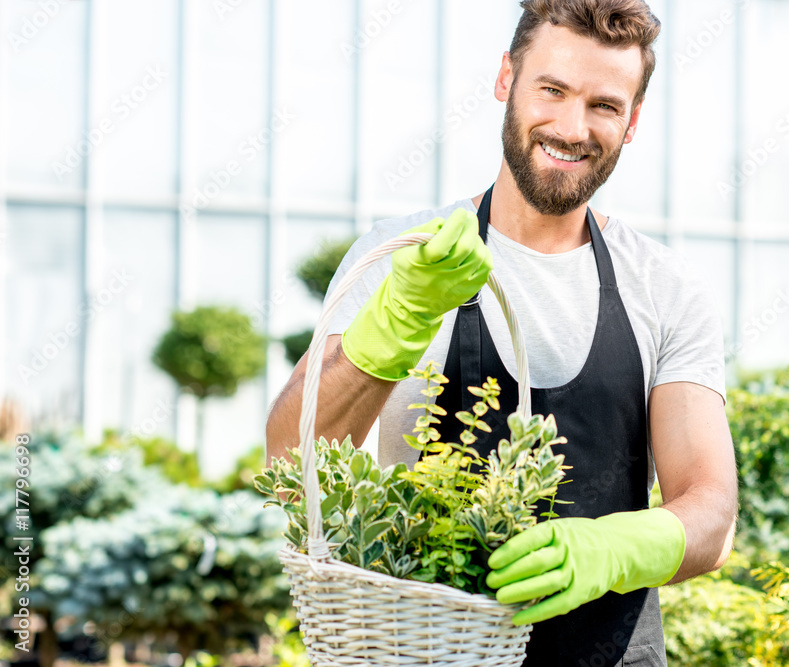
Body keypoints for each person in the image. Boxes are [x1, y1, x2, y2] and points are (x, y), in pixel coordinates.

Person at [265, 1, 737, 665]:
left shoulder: (663, 286)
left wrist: (610, 549)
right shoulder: (405, 255)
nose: (573, 127)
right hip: (428, 651)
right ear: (505, 79)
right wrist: (396, 320)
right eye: (552, 89)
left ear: (631, 122)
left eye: (604, 105)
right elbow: (291, 465)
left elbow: (713, 515)